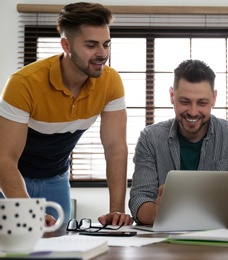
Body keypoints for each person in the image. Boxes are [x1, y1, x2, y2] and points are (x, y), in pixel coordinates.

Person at [0, 2, 132, 227]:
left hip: (56, 177)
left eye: (106, 44)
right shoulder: (23, 84)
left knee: (61, 247)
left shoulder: (110, 82)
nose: (102, 54)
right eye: (91, 45)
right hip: (11, 178)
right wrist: (26, 212)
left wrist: (117, 211)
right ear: (66, 45)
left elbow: (115, 148)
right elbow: (4, 158)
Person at [129, 59, 228, 226]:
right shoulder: (150, 138)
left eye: (202, 103)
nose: (192, 112)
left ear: (214, 98)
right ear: (171, 96)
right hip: (165, 242)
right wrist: (157, 212)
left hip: (223, 244)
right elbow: (139, 200)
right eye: (184, 102)